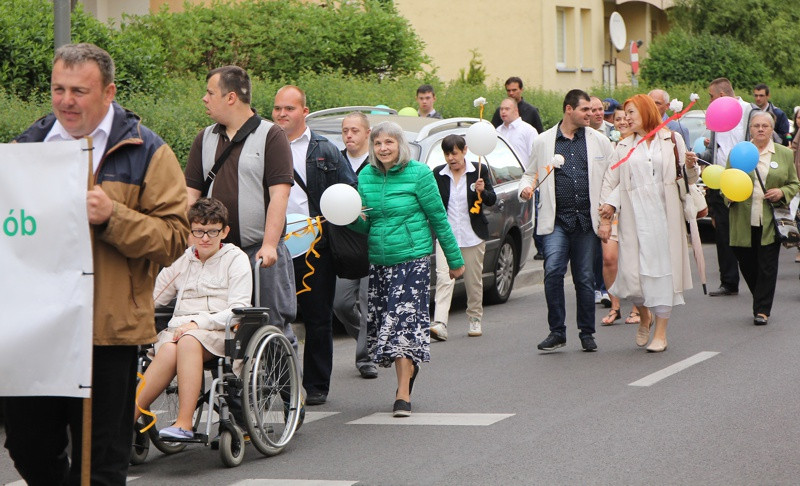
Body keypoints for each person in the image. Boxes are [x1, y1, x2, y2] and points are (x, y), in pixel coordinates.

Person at [4, 43, 189, 484]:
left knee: (102, 461)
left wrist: (113, 217)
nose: (66, 101)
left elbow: (175, 237)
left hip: (106, 331)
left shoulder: (146, 150)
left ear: (109, 92)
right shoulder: (26, 147)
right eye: (58, 89)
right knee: (27, 446)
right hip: (36, 328)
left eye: (79, 91)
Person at [349, 121, 464, 417]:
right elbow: (365, 225)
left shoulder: (420, 174)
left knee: (402, 326)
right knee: (388, 326)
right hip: (380, 262)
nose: (383, 148)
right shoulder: (366, 176)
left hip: (412, 261)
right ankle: (407, 371)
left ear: (400, 145)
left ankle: (402, 394)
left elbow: (439, 219)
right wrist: (349, 217)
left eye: (389, 142)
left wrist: (454, 261)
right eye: (377, 143)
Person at [184, 66, 298, 356]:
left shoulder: (271, 136)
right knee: (221, 325)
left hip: (257, 252)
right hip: (216, 253)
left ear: (231, 97)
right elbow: (190, 196)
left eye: (210, 93)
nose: (204, 99)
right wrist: (189, 243)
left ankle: (289, 392)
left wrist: (270, 244)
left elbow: (280, 195)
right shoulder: (204, 138)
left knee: (270, 323)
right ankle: (237, 393)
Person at [134, 198, 251, 439]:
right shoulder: (181, 260)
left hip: (219, 333)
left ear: (225, 231)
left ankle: (184, 423)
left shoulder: (235, 259)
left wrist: (198, 324)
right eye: (198, 231)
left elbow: (238, 308)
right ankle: (125, 422)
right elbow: (153, 298)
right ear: (190, 232)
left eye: (212, 231)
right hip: (178, 333)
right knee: (167, 349)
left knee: (187, 340)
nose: (205, 238)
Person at [273, 85, 358, 405]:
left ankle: (317, 385)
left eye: (289, 109)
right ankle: (280, 383)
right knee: (274, 317)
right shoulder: (264, 145)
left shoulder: (326, 149)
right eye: (278, 108)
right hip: (275, 244)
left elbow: (349, 189)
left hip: (315, 248)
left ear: (304, 112)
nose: (282, 114)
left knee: (318, 318)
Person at [598, 94, 698, 352]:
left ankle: (661, 334)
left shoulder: (671, 139)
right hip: (634, 215)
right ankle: (645, 315)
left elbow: (688, 179)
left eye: (631, 112)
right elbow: (612, 182)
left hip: (665, 216)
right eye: (625, 113)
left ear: (645, 112)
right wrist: (606, 213)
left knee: (663, 274)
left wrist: (691, 167)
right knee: (633, 276)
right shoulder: (623, 146)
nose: (626, 118)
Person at [518, 89, 615, 353]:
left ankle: (586, 333)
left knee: (584, 278)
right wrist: (526, 189)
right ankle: (557, 331)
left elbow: (610, 177)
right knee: (553, 274)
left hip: (586, 221)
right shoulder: (543, 141)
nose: (591, 114)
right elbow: (529, 174)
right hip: (557, 221)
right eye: (585, 110)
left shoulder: (599, 140)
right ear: (569, 109)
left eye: (592, 110)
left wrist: (608, 214)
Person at [727, 112, 799, 325]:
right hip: (743, 218)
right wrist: (729, 195)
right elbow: (727, 181)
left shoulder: (784, 154)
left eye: (765, 126)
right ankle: (760, 297)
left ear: (771, 129)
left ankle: (762, 310)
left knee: (767, 266)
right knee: (747, 264)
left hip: (770, 220)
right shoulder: (738, 152)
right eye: (756, 125)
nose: (760, 129)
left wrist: (782, 192)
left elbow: (794, 183)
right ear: (750, 129)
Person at [430, 134, 497, 340]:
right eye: (447, 154)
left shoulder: (479, 171)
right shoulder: (438, 174)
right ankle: (440, 322)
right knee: (444, 278)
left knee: (472, 281)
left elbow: (492, 200)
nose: (451, 158)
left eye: (455, 153)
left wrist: (483, 190)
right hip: (446, 236)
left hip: (472, 236)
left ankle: (475, 318)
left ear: (465, 151)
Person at [690, 78, 751, 297]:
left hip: (744, 182)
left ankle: (755, 277)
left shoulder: (749, 113)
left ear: (723, 96)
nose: (709, 101)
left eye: (711, 96)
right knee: (723, 234)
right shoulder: (716, 118)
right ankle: (728, 282)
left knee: (748, 233)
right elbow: (717, 151)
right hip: (720, 181)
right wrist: (698, 157)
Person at [332, 112, 377, 379]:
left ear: (367, 133)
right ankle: (369, 335)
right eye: (345, 131)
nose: (349, 135)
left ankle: (365, 358)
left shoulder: (377, 162)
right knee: (341, 304)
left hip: (372, 244)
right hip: (344, 246)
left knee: (368, 302)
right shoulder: (335, 161)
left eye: (354, 131)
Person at [600, 109, 642, 326]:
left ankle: (637, 308)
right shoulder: (608, 145)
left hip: (634, 209)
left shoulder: (640, 144)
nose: (623, 121)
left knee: (634, 260)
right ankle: (614, 306)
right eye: (618, 119)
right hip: (611, 208)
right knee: (609, 258)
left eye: (627, 117)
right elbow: (606, 179)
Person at [589, 96, 611, 307]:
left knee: (610, 250)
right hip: (593, 200)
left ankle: (609, 287)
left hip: (611, 197)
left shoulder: (611, 132)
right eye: (592, 109)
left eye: (599, 109)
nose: (597, 113)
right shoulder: (583, 135)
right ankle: (598, 286)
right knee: (597, 249)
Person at [496, 97, 538, 166]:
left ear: (516, 110)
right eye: (501, 109)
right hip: (500, 174)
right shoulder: (497, 131)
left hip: (523, 175)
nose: (503, 112)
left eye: (507, 109)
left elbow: (535, 157)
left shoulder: (528, 130)